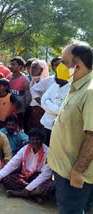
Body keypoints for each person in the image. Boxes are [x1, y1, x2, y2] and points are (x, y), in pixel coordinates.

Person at [47, 41, 93, 214]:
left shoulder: (90, 93)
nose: (59, 67)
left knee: (71, 210)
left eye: (64, 63)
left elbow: (92, 136)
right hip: (64, 168)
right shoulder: (75, 86)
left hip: (73, 172)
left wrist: (78, 171)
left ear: (78, 65)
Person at [0, 128, 54, 202]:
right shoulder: (25, 149)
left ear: (42, 140)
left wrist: (28, 188)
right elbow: (13, 163)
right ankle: (32, 195)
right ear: (29, 140)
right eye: (32, 139)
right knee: (5, 178)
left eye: (38, 139)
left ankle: (21, 193)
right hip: (25, 177)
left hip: (39, 178)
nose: (35, 141)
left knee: (51, 185)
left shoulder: (48, 152)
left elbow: (45, 175)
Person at [40, 74, 70, 146]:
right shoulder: (54, 85)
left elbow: (61, 111)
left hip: (59, 128)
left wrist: (48, 102)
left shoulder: (70, 89)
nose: (55, 78)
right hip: (45, 124)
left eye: (58, 75)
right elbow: (42, 102)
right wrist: (54, 108)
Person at [7, 56, 31, 131]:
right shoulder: (8, 77)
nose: (11, 66)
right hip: (9, 109)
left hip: (20, 111)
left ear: (20, 66)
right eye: (11, 64)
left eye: (14, 64)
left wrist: (25, 109)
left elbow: (28, 98)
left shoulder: (25, 80)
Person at [28, 60, 49, 130]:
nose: (32, 70)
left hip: (43, 111)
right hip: (33, 111)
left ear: (42, 69)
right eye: (31, 67)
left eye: (34, 68)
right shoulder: (33, 81)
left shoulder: (47, 82)